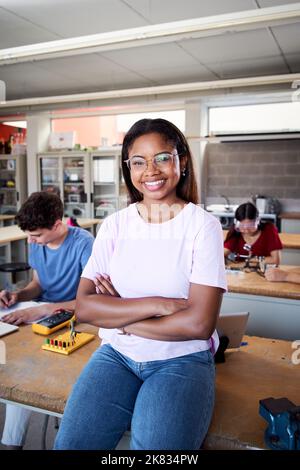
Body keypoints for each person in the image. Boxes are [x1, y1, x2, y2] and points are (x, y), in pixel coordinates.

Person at [54, 118, 227, 451]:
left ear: (182, 161)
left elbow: (199, 324)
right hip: (116, 355)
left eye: (162, 157)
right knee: (71, 444)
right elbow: (86, 308)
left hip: (182, 360)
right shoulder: (115, 225)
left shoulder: (202, 226)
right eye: (138, 161)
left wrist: (119, 316)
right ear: (128, 167)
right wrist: (157, 305)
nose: (151, 170)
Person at [0, 191, 94, 450]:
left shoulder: (83, 244)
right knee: (20, 373)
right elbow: (38, 284)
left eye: (37, 235)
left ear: (56, 224)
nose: (31, 240)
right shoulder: (36, 242)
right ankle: (11, 444)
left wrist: (42, 311)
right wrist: (18, 295)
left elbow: (92, 300)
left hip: (77, 321)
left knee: (38, 374)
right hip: (41, 318)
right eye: (29, 235)